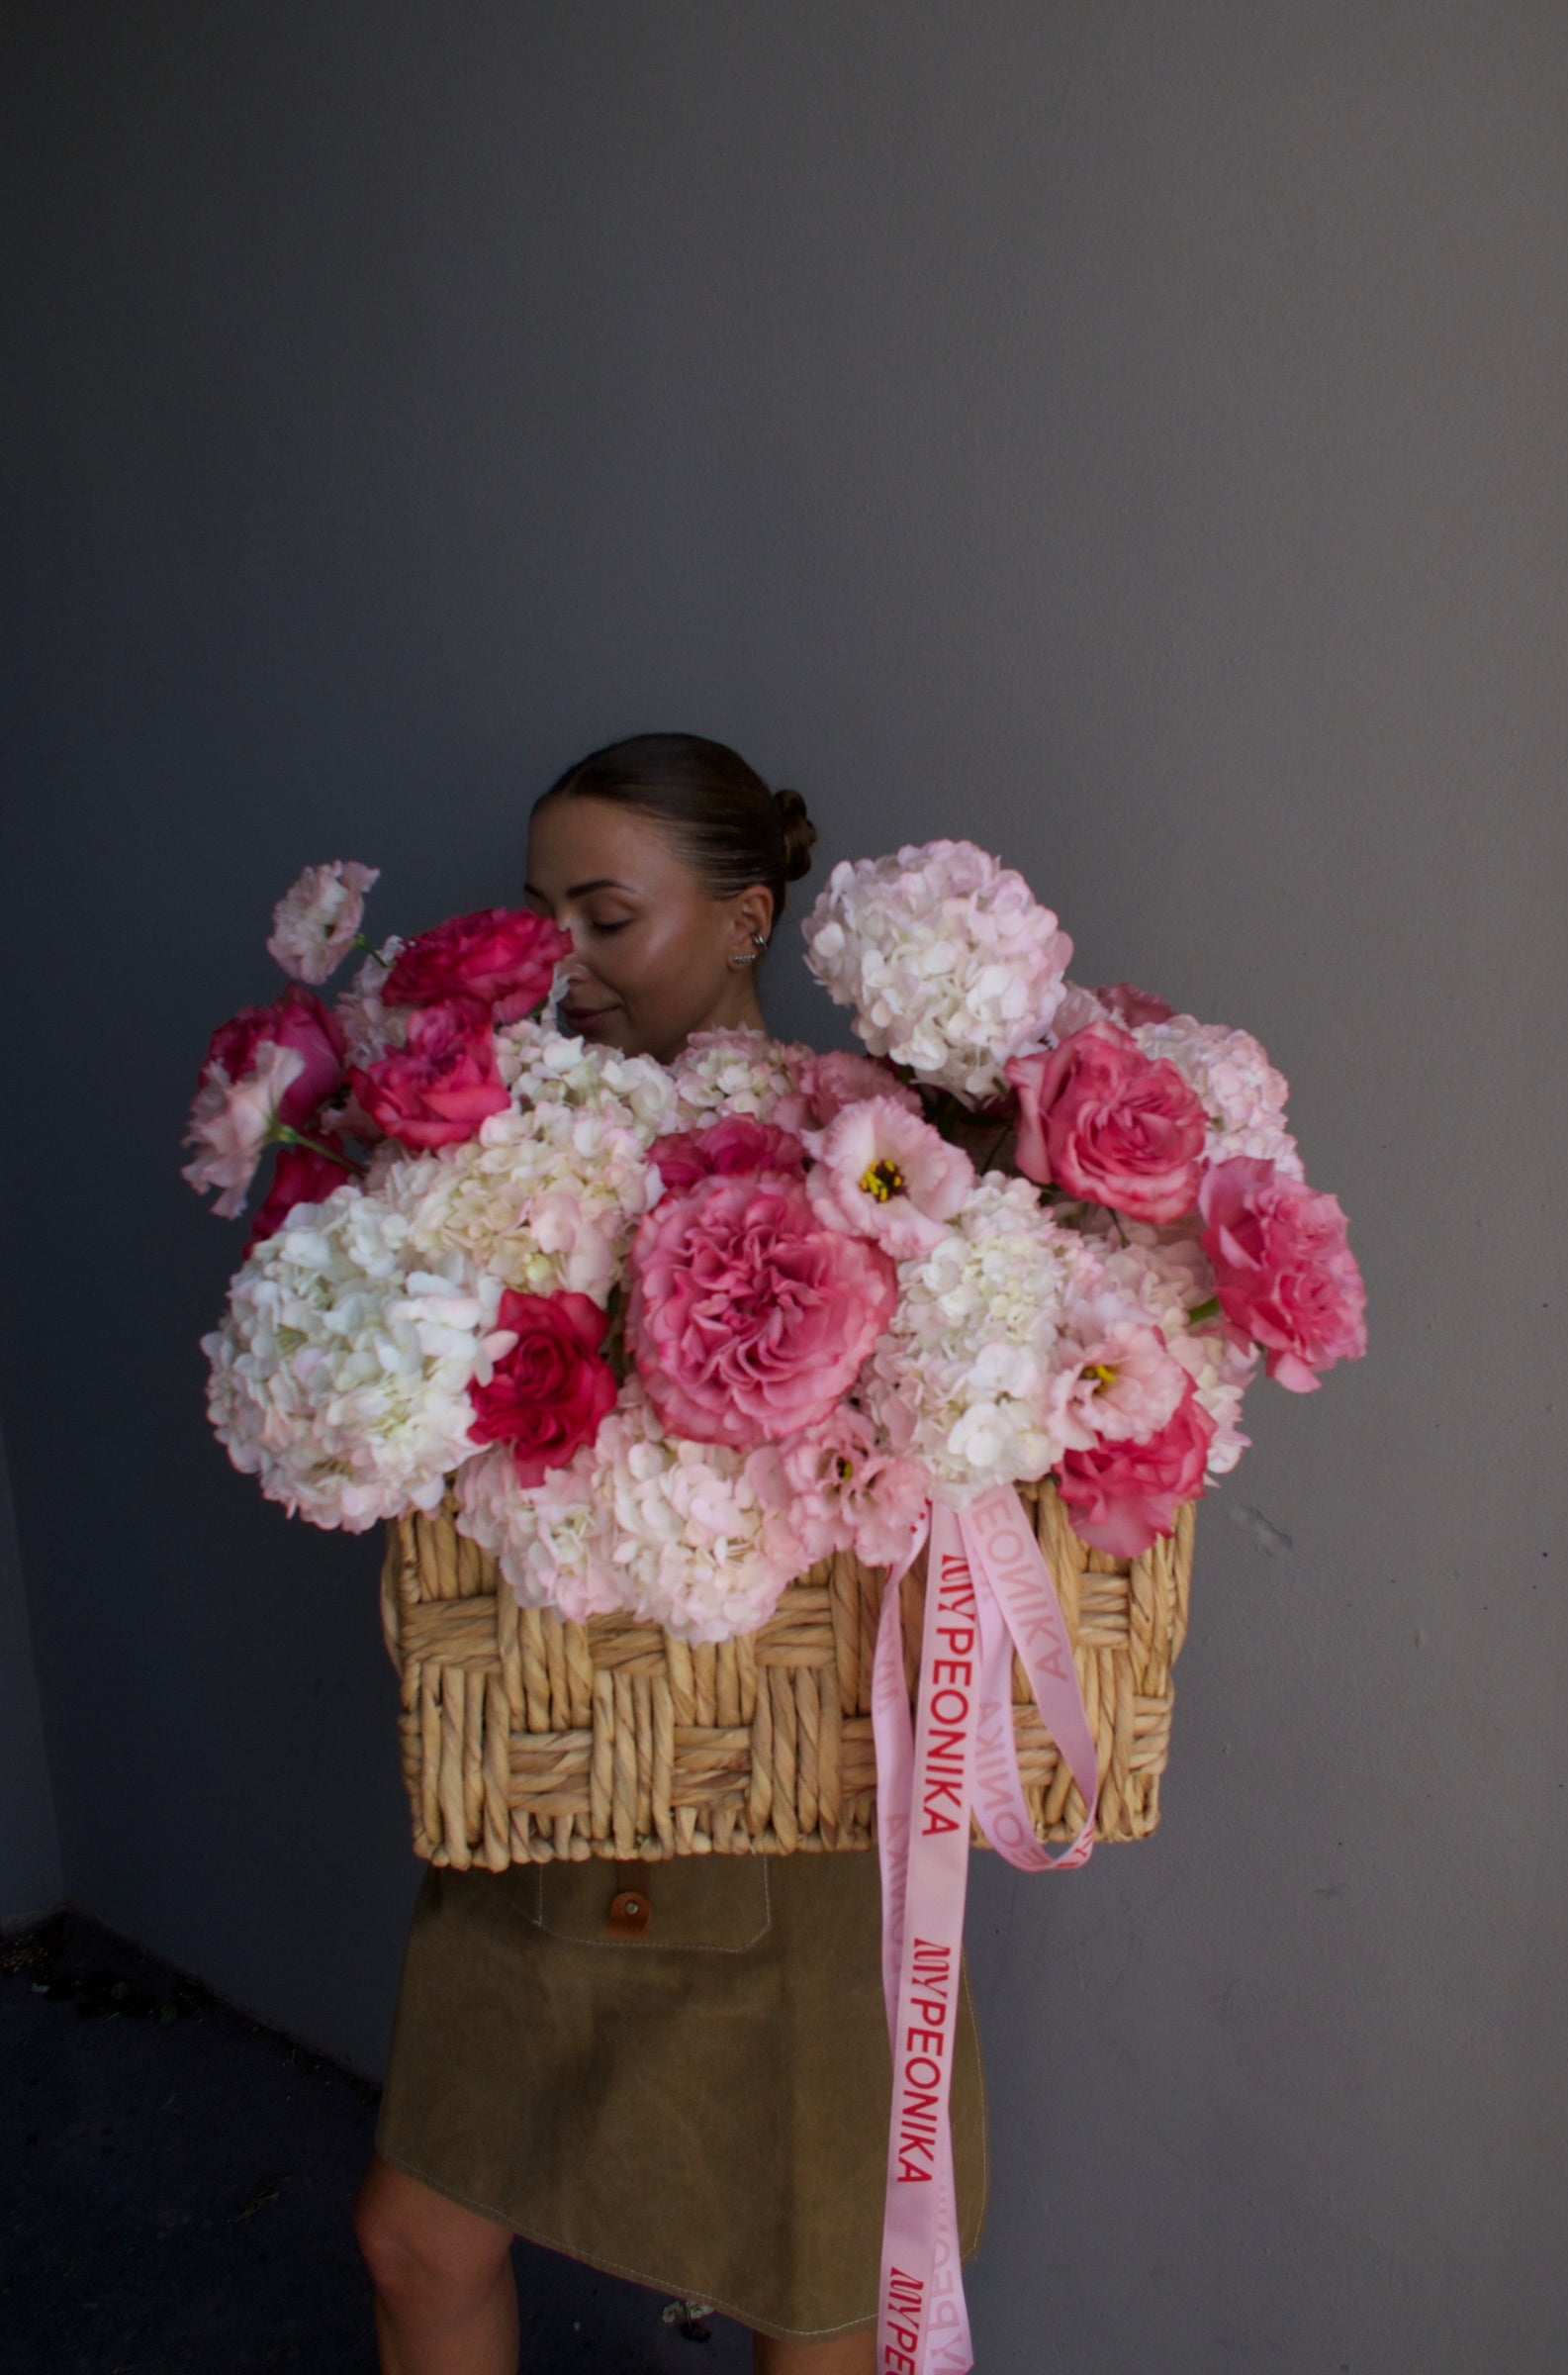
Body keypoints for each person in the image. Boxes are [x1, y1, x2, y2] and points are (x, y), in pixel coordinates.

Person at [353, 734, 986, 2375]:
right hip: (553, 1766)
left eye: (607, 916)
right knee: (417, 2239)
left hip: (777, 1797)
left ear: (747, 917)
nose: (559, 959)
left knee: (811, 2285)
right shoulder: (505, 1139)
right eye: (539, 914)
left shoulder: (869, 1160)